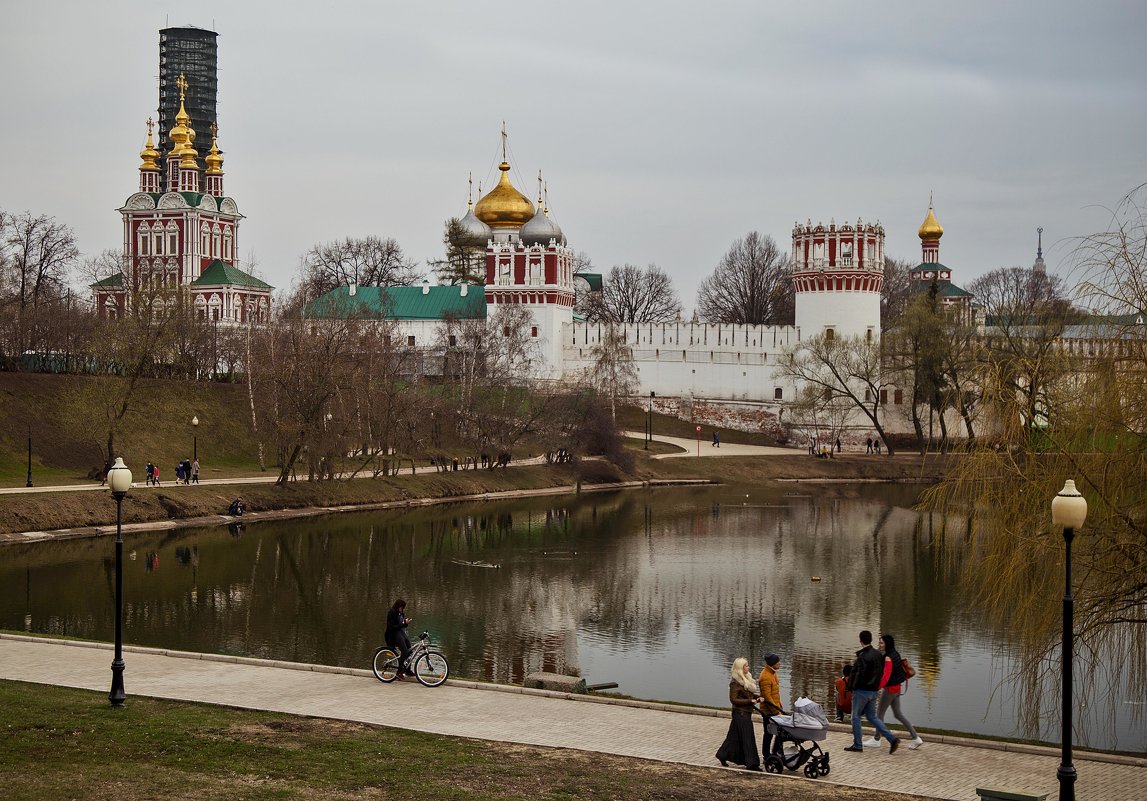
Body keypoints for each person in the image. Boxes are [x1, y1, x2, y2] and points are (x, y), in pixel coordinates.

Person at [865, 633, 924, 750]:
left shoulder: (888, 658)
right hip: (897, 688)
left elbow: (886, 676)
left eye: (881, 643)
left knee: (879, 715)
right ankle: (916, 738)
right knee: (898, 714)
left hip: (890, 690)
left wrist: (876, 688)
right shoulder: (895, 654)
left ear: (887, 644)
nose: (880, 645)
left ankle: (876, 739)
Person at [844, 629, 900, 753]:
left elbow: (858, 675)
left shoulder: (863, 657)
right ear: (870, 640)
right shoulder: (878, 655)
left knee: (856, 717)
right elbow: (880, 672)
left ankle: (858, 745)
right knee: (872, 717)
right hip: (874, 691)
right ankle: (892, 738)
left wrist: (851, 687)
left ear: (860, 640)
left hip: (862, 690)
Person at [715, 657, 762, 771]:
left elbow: (748, 695)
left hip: (745, 712)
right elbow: (734, 699)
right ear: (740, 668)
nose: (748, 667)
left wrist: (757, 698)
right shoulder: (735, 683)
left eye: (748, 665)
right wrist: (749, 701)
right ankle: (752, 763)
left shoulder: (746, 679)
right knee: (747, 737)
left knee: (734, 737)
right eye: (746, 666)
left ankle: (722, 754)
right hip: (740, 713)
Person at [758, 653, 785, 758]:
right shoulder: (765, 677)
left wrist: (779, 707)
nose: (779, 663)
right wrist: (776, 711)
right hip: (769, 711)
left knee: (780, 732)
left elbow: (775, 694)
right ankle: (767, 755)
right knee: (768, 733)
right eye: (778, 662)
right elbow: (767, 697)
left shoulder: (773, 673)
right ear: (772, 663)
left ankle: (776, 752)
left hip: (775, 709)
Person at [386, 598, 414, 678]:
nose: (403, 609)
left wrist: (406, 623)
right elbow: (391, 627)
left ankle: (407, 670)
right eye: (402, 607)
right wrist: (403, 624)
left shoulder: (401, 613)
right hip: (394, 635)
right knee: (404, 652)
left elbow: (401, 625)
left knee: (410, 651)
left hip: (402, 634)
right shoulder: (391, 612)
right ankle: (399, 672)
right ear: (398, 606)